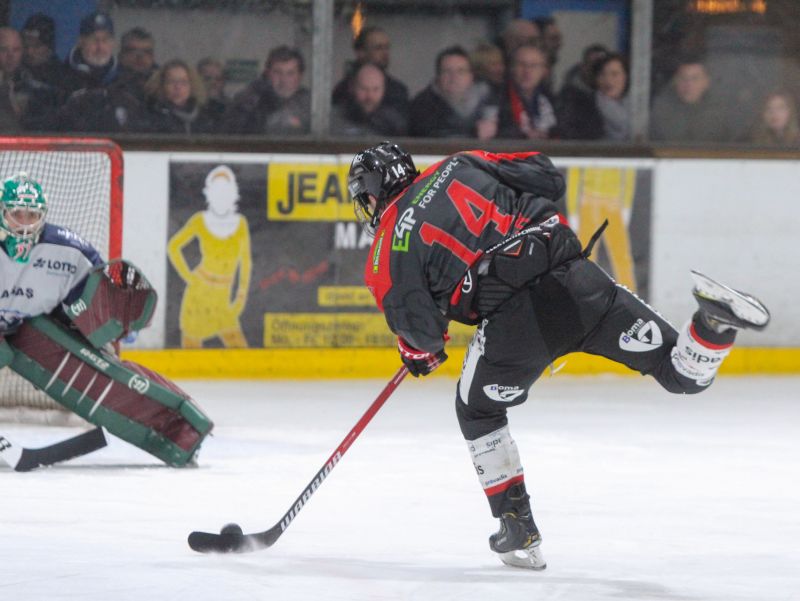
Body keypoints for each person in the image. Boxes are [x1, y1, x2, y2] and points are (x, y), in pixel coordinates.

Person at [346, 141, 770, 570]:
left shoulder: (386, 248)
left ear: (373, 190)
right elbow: (547, 176)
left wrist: (415, 352)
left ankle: (518, 526)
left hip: (517, 325)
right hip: (580, 282)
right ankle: (714, 325)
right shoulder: (461, 162)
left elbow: (423, 337)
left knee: (477, 411)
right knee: (680, 372)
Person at [0, 172, 213, 466]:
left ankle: (178, 434)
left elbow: (94, 294)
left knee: (94, 373)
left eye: (32, 215)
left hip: (27, 325)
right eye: (16, 214)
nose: (24, 223)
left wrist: (104, 321)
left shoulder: (68, 251)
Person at [167, 165, 252, 348]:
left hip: (223, 298)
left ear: (233, 193)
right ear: (209, 193)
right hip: (198, 296)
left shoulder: (240, 223)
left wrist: (241, 295)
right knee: (190, 349)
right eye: (216, 190)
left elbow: (245, 262)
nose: (220, 195)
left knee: (239, 348)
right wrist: (189, 277)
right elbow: (174, 246)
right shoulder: (200, 220)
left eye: (225, 190)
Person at [409, 46, 497, 139]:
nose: (454, 77)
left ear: (471, 76)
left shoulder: (490, 99)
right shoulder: (422, 105)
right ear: (438, 76)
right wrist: (475, 134)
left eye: (461, 71)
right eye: (447, 71)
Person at [222, 45, 310, 135]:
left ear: (300, 76)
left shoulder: (311, 104)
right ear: (268, 73)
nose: (283, 80)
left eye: (290, 73)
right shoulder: (249, 102)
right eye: (277, 72)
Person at [332, 26, 409, 117]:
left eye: (387, 47)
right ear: (360, 53)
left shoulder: (398, 90)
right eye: (378, 48)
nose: (385, 53)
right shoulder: (344, 91)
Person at [650, 56, 730, 143]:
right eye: (683, 78)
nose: (688, 85)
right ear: (675, 81)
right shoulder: (660, 109)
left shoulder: (721, 112)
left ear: (706, 82)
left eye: (695, 79)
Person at [558, 53, 631, 141]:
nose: (608, 80)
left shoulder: (637, 108)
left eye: (614, 74)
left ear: (626, 77)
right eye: (602, 74)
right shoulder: (583, 107)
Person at [142, 59, 218, 134]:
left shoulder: (206, 117)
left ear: (192, 86)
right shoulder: (151, 117)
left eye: (183, 82)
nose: (178, 87)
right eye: (171, 81)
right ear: (161, 86)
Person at [330, 62, 406, 137]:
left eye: (376, 89)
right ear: (352, 88)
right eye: (363, 89)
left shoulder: (396, 124)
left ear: (384, 90)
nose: (370, 96)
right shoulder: (333, 119)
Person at [498, 43, 557, 139]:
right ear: (511, 68)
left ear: (544, 71)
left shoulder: (555, 100)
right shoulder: (498, 98)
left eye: (534, 65)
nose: (527, 71)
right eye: (521, 64)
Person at [63, 11, 119, 96]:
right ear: (81, 42)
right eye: (94, 40)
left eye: (105, 40)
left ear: (113, 43)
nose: (100, 47)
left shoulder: (123, 78)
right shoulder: (61, 76)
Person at [116, 27, 158, 102]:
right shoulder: (108, 81)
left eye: (146, 51)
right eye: (132, 50)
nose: (140, 56)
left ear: (152, 57)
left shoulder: (163, 83)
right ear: (121, 55)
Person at [197, 57, 229, 122]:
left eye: (218, 79)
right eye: (207, 78)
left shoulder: (232, 108)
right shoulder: (189, 107)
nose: (213, 83)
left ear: (224, 82)